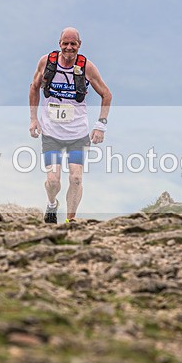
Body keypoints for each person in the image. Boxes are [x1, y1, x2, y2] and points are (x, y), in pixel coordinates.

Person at [29, 27, 112, 223]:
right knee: (53, 181)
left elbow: (106, 94)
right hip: (51, 135)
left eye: (73, 44)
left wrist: (101, 125)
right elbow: (34, 88)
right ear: (59, 44)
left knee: (76, 178)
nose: (69, 48)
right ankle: (51, 204)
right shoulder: (47, 63)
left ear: (79, 45)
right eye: (65, 43)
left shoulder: (86, 67)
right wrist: (34, 118)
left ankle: (70, 221)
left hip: (78, 135)